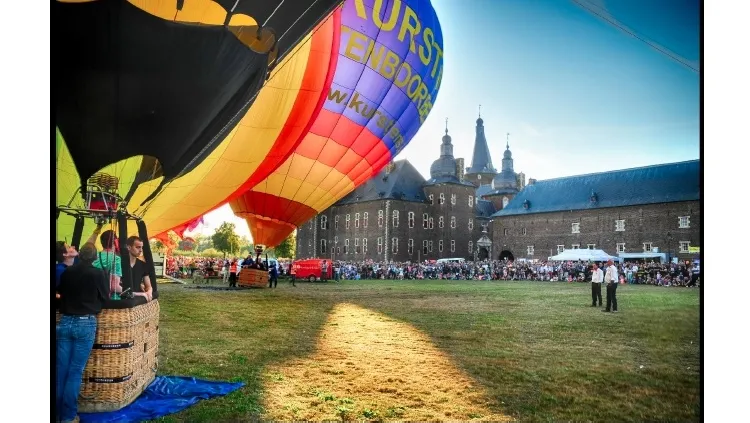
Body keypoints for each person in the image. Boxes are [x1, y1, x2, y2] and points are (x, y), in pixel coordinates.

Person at [56, 243, 110, 423]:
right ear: (95, 258)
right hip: (85, 323)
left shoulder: (67, 272)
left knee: (60, 370)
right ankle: (68, 416)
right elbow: (105, 297)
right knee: (75, 371)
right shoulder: (97, 273)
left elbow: (61, 293)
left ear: (80, 255)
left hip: (64, 322)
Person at [125, 236, 153, 301]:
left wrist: (149, 292)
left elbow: (148, 286)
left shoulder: (143, 265)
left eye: (141, 247)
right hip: (123, 300)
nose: (140, 250)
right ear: (129, 247)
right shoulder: (120, 263)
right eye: (138, 247)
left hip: (137, 301)